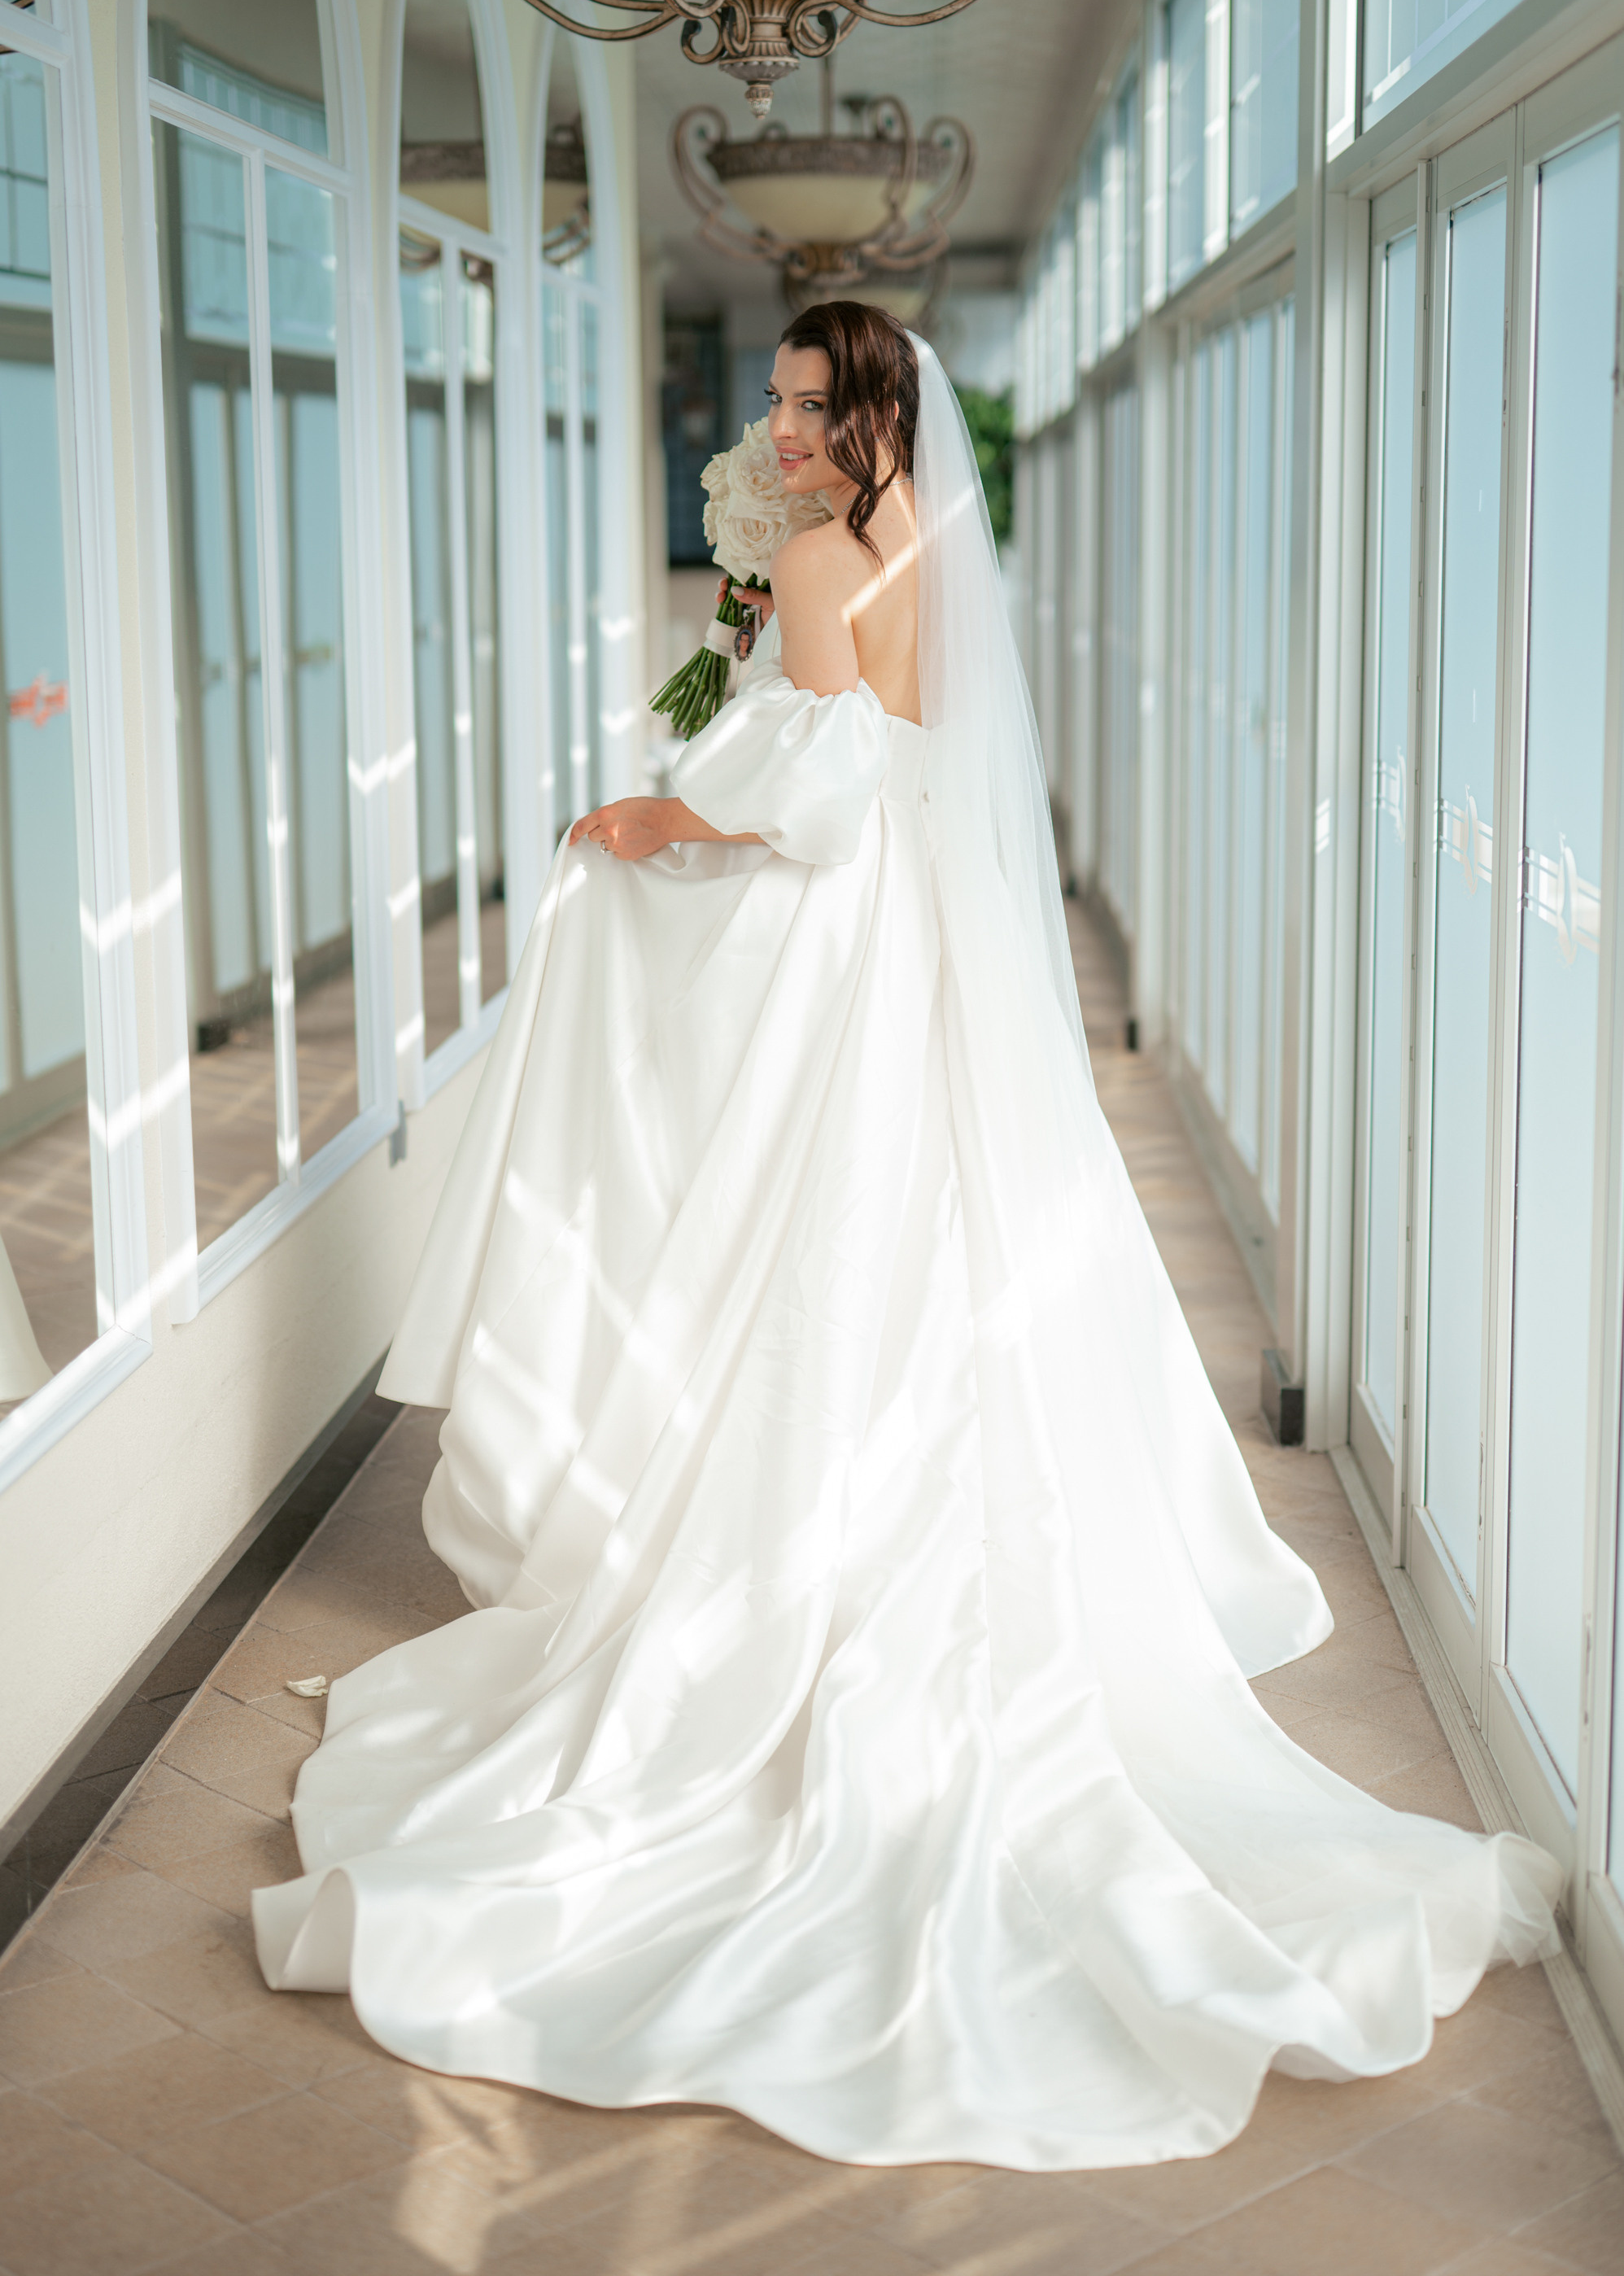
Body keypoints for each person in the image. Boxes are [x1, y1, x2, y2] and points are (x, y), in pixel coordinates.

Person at [252, 304, 1559, 2171]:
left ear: (871, 416)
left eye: (805, 404)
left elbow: (818, 797)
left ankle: (788, 1586)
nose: (776, 432)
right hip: (912, 963)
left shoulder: (821, 554)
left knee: (803, 1259)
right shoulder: (918, 546)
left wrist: (648, 813)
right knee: (899, 1273)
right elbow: (899, 755)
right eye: (771, 403)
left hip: (832, 953)